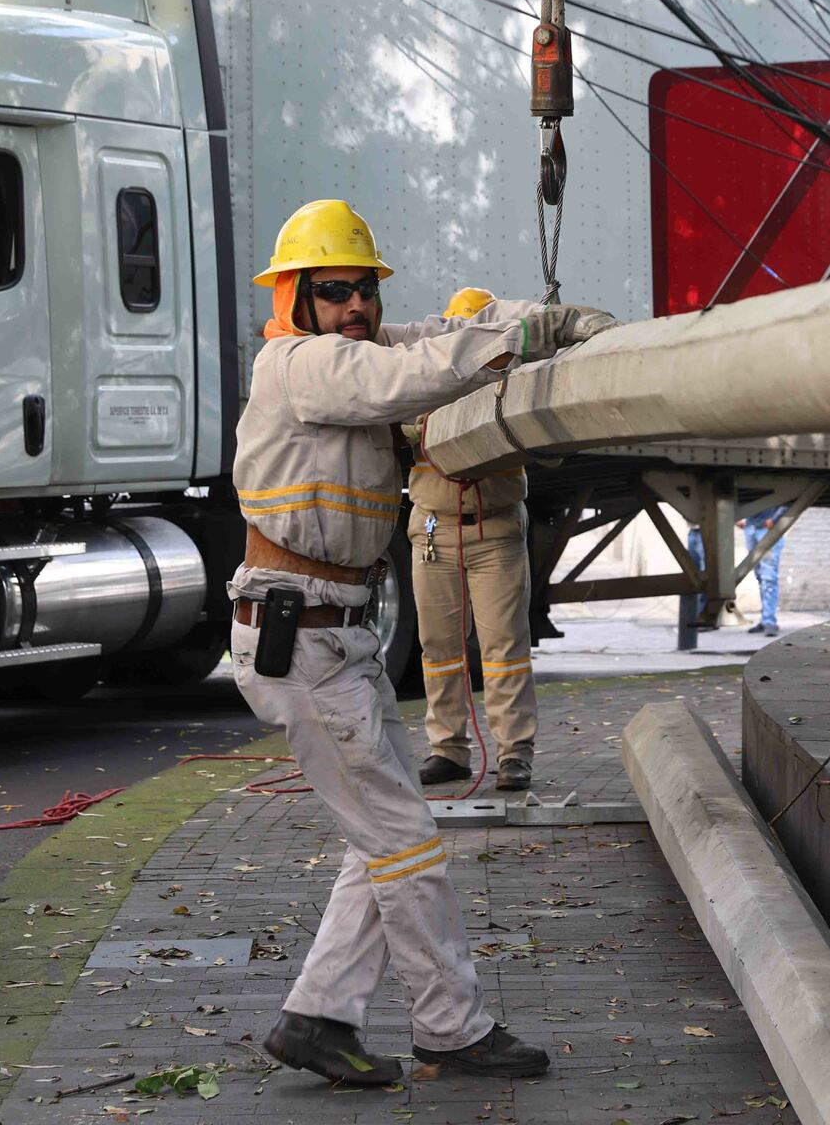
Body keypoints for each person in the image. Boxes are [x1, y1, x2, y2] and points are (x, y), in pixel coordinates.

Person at [230, 200, 615, 1085]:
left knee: (387, 834)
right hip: (304, 643)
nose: (356, 306)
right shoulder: (298, 365)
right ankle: (452, 1026)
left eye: (364, 289)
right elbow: (413, 376)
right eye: (334, 292)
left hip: (335, 640)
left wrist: (548, 324)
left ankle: (317, 1017)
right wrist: (498, 351)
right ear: (295, 299)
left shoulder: (358, 345)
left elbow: (446, 330)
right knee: (405, 838)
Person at [411, 288, 539, 793]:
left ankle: (514, 754)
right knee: (438, 647)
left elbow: (545, 448)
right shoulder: (423, 387)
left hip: (496, 532)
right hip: (435, 532)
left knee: (504, 648)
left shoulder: (513, 387)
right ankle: (448, 750)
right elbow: (396, 428)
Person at [742, 505, 787, 636]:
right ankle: (765, 619)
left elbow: (789, 501)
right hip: (751, 529)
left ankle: (770, 621)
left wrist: (775, 518)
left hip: (767, 530)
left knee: (769, 577)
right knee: (760, 577)